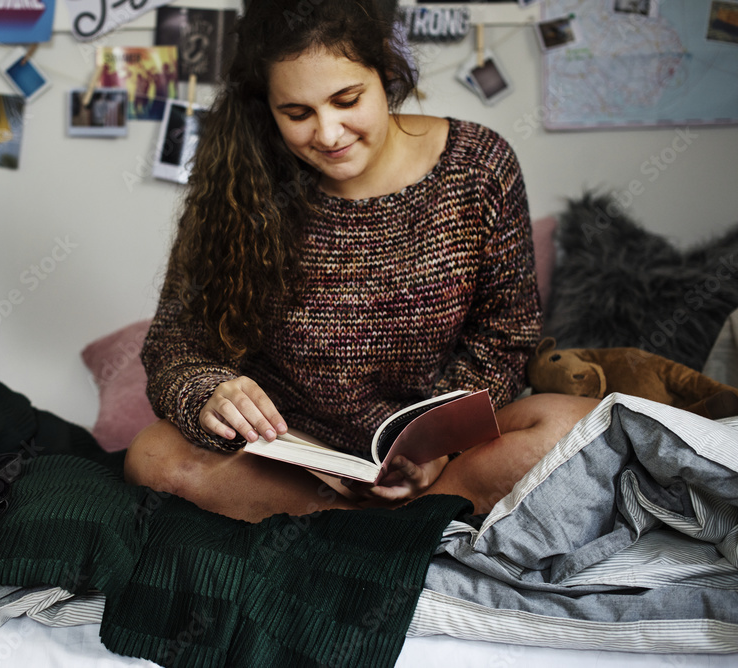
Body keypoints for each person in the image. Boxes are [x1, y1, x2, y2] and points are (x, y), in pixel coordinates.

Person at [125, 0, 599, 523]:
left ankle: (380, 517)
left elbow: (506, 337)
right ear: (269, 107)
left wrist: (434, 446)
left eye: (347, 100)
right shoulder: (238, 184)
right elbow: (175, 340)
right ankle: (400, 523)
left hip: (435, 455)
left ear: (388, 77)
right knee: (153, 456)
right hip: (291, 456)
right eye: (297, 113)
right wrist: (211, 394)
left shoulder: (480, 166)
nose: (328, 135)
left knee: (573, 423)